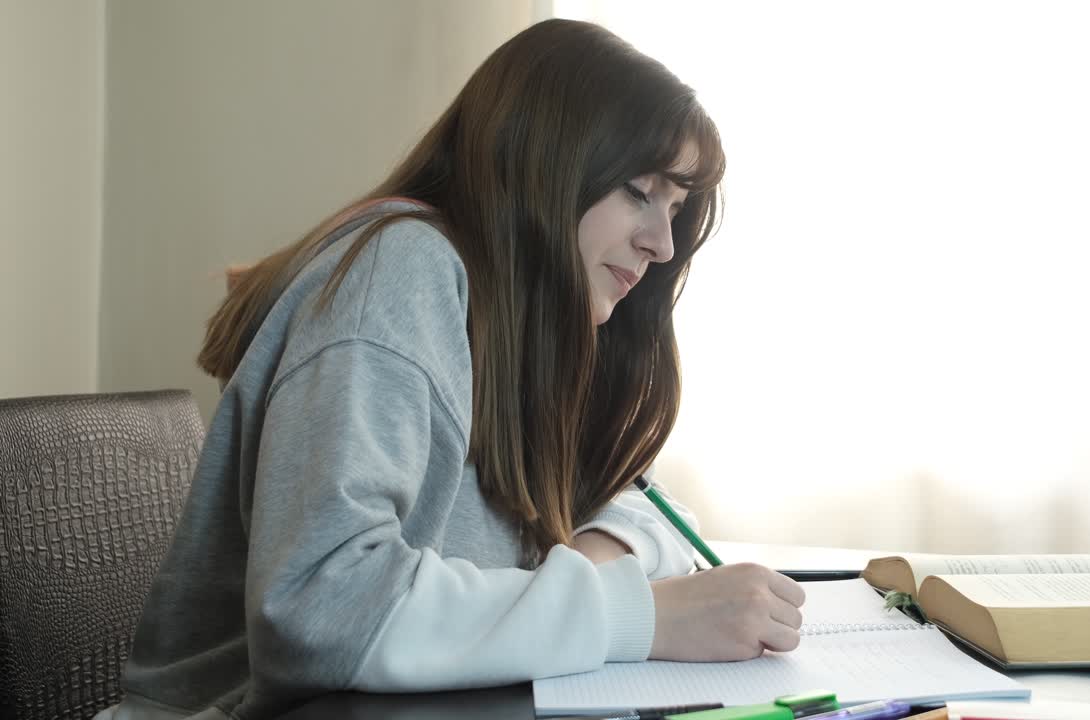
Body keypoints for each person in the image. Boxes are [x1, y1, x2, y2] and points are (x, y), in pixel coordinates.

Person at [96, 18, 805, 720]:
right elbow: (321, 608)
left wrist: (583, 572)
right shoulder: (402, 269)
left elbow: (654, 514)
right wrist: (639, 617)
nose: (662, 243)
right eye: (639, 191)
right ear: (544, 159)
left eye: (677, 209)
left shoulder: (514, 328)